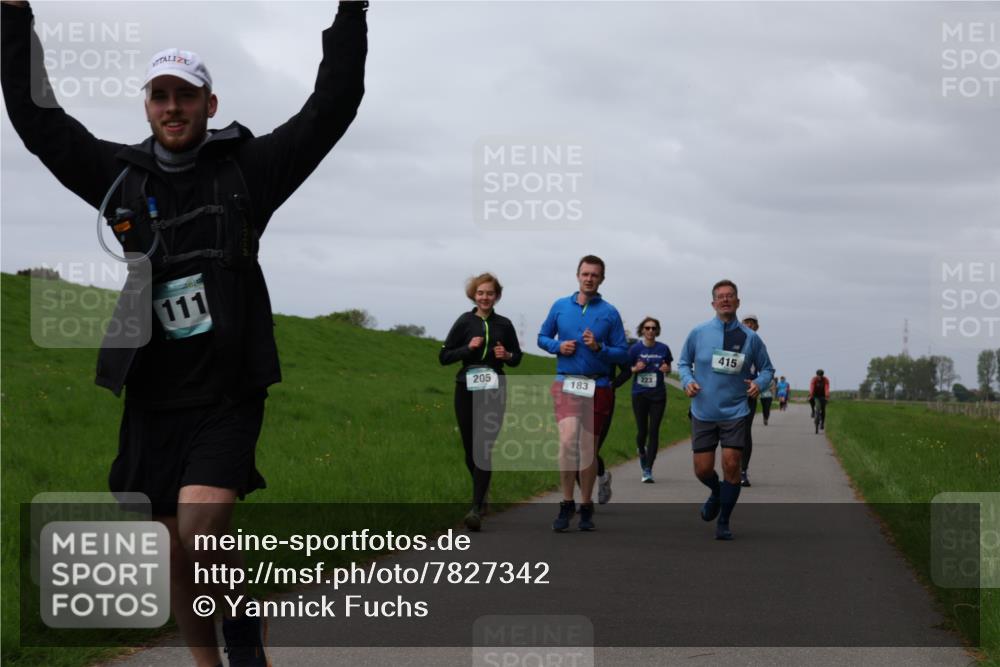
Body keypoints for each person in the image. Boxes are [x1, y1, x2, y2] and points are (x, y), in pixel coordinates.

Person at [1, 2, 368, 665]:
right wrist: (12, 15)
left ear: (209, 102)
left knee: (201, 529)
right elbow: (38, 121)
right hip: (152, 397)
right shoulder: (117, 177)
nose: (173, 107)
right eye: (161, 96)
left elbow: (331, 106)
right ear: (147, 106)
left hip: (227, 392)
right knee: (174, 553)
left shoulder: (249, 171)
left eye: (186, 96)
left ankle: (243, 627)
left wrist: (352, 11)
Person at [538, 255, 629, 531]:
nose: (589, 278)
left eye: (595, 275)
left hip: (597, 385)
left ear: (601, 279)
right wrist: (558, 347)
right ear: (578, 275)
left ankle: (586, 504)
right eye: (585, 274)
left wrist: (600, 348)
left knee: (587, 449)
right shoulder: (560, 306)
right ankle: (566, 503)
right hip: (566, 382)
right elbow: (542, 337)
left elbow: (623, 354)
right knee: (567, 442)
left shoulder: (610, 313)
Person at [678, 280, 774, 540]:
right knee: (702, 469)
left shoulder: (750, 338)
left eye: (730, 296)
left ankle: (724, 520)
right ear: (713, 303)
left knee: (732, 465)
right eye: (720, 297)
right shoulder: (698, 333)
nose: (725, 300)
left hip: (735, 411)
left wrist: (759, 383)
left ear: (738, 302)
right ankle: (717, 492)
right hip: (703, 411)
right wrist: (687, 381)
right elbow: (684, 363)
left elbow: (767, 369)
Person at [439, 273, 522, 531]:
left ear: (497, 296)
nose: (485, 297)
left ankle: (475, 509)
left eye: (490, 293)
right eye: (480, 293)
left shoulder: (505, 325)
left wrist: (506, 355)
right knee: (469, 450)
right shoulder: (464, 322)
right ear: (474, 295)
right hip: (466, 388)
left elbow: (517, 357)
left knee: (483, 447)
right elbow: (443, 356)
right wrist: (468, 348)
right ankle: (482, 494)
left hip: (494, 388)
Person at [628, 317, 673, 483]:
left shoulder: (664, 349)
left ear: (657, 331)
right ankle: (641, 449)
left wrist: (666, 369)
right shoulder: (634, 349)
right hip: (639, 395)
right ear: (642, 330)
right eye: (647, 328)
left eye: (654, 328)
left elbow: (667, 368)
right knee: (642, 431)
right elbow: (627, 370)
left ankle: (648, 469)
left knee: (654, 431)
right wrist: (635, 369)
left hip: (658, 395)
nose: (650, 331)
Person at [739, 313, 763, 487]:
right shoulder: (731, 340)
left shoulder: (758, 344)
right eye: (746, 322)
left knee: (745, 431)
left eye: (752, 323)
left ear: (756, 327)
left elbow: (767, 369)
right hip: (729, 393)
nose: (749, 325)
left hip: (749, 393)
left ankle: (743, 471)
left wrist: (758, 383)